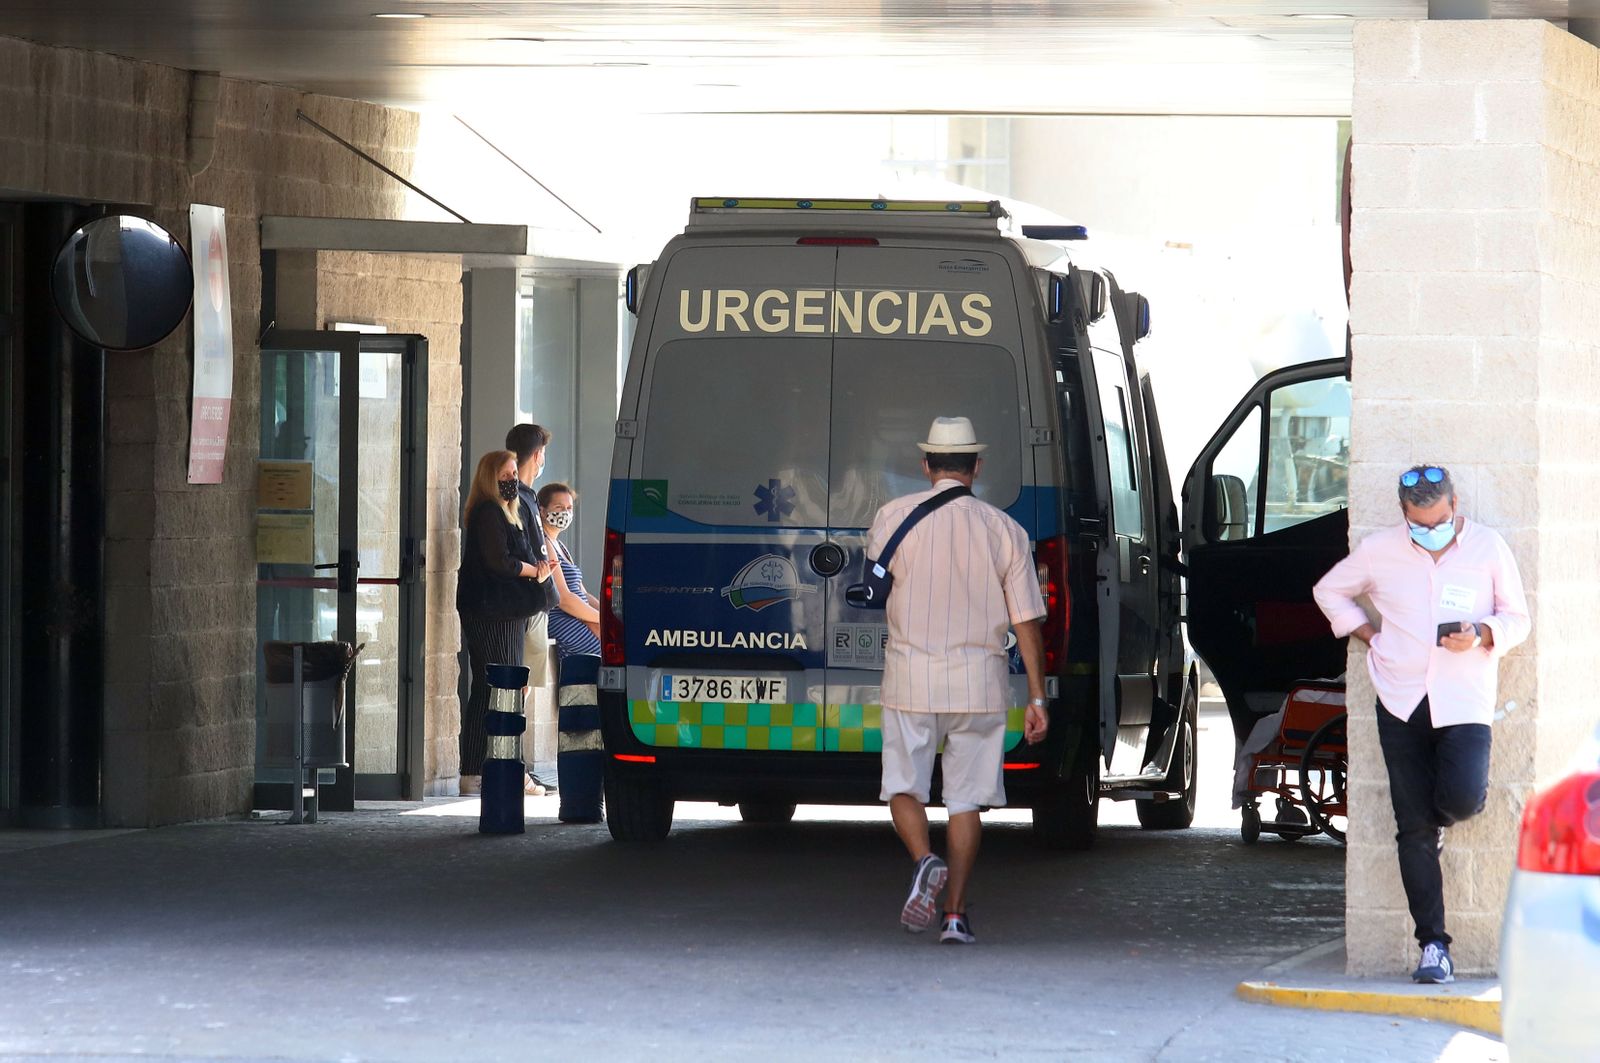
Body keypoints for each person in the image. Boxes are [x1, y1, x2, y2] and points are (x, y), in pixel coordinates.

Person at [1313, 464, 1530, 984]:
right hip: (1400, 699)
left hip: (1463, 702)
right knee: (1411, 827)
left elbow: (1518, 618)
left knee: (1459, 800)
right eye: (1418, 522)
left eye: (1438, 520)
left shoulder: (1487, 547)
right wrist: (1367, 632)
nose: (1429, 529)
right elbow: (1329, 591)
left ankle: (1433, 828)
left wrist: (1480, 632)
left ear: (1455, 507)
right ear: (1404, 515)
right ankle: (1433, 946)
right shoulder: (1381, 550)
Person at [866, 416, 1049, 945]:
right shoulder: (1005, 531)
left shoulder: (891, 517)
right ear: (978, 467)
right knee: (966, 801)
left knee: (903, 786)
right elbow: (1026, 622)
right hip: (979, 684)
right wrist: (1037, 696)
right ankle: (954, 916)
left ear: (926, 466)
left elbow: (875, 584)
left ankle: (925, 860)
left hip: (911, 679)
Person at [455, 450, 554, 796]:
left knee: (508, 688)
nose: (513, 480)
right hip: (491, 611)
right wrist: (535, 572)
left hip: (508, 611)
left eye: (514, 473)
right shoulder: (487, 512)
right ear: (489, 478)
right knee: (494, 687)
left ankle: (506, 765)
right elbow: (501, 562)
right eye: (506, 474)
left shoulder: (507, 512)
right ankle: (479, 768)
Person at [506, 423, 559, 794]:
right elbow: (521, 551)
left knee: (520, 689)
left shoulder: (525, 495)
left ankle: (517, 766)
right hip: (525, 604)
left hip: (533, 603)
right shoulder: (518, 498)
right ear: (537, 455)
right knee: (516, 689)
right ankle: (513, 767)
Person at [537, 482, 603, 660]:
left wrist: (606, 615)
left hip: (580, 616)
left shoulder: (561, 547)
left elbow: (583, 593)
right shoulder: (544, 543)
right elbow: (564, 599)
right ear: (542, 510)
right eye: (559, 507)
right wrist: (600, 620)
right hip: (564, 621)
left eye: (569, 507)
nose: (565, 512)